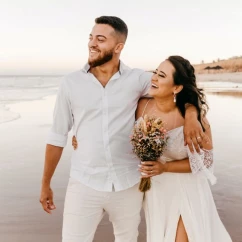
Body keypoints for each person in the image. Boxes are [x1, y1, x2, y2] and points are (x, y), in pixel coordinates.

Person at [39, 16, 204, 242]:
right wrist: (45, 183)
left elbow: (176, 88)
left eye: (100, 39)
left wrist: (192, 114)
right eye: (90, 38)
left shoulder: (137, 79)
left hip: (128, 183)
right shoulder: (70, 83)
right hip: (84, 183)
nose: (92, 44)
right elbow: (57, 136)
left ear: (118, 47)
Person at [136, 56, 232, 242]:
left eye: (161, 75)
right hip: (156, 191)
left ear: (177, 88)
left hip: (187, 190)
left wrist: (165, 167)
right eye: (155, 72)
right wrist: (78, 137)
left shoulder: (196, 122)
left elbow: (205, 161)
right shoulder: (141, 106)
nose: (154, 77)